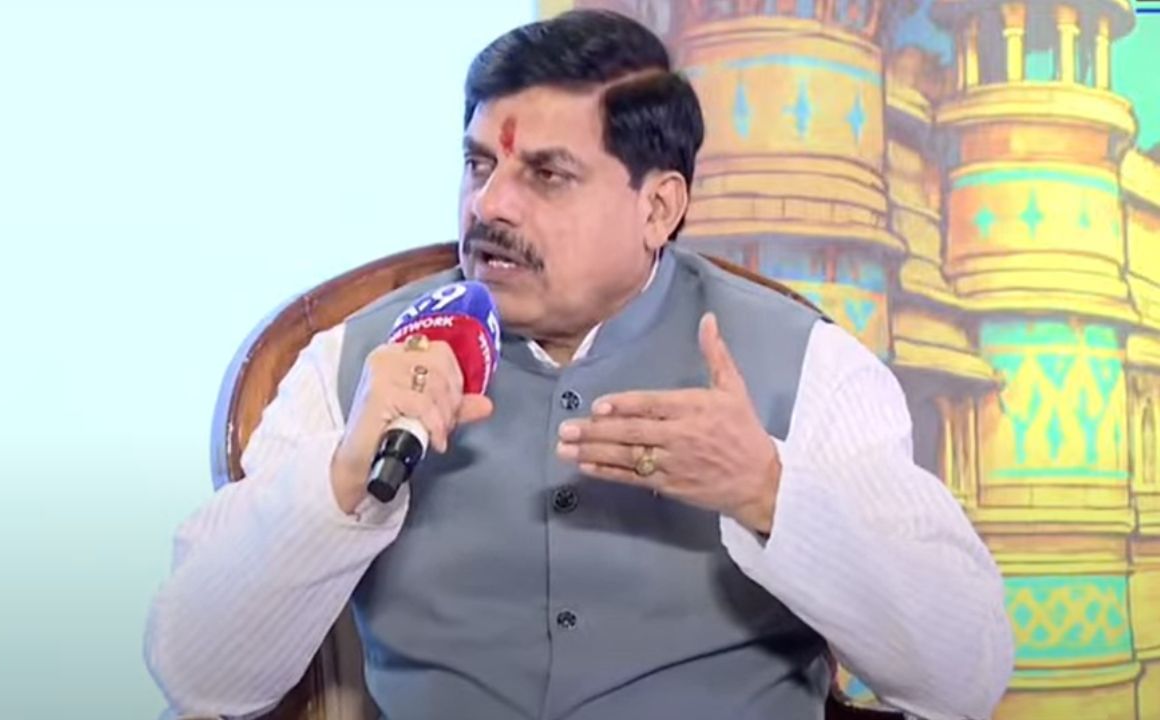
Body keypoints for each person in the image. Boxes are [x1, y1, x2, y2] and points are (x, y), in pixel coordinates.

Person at [144, 9, 1013, 720]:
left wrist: (768, 491)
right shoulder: (354, 362)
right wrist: (341, 480)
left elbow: (963, 677)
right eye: (479, 164)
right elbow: (200, 675)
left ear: (658, 207)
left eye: (547, 175)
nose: (490, 205)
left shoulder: (808, 367)